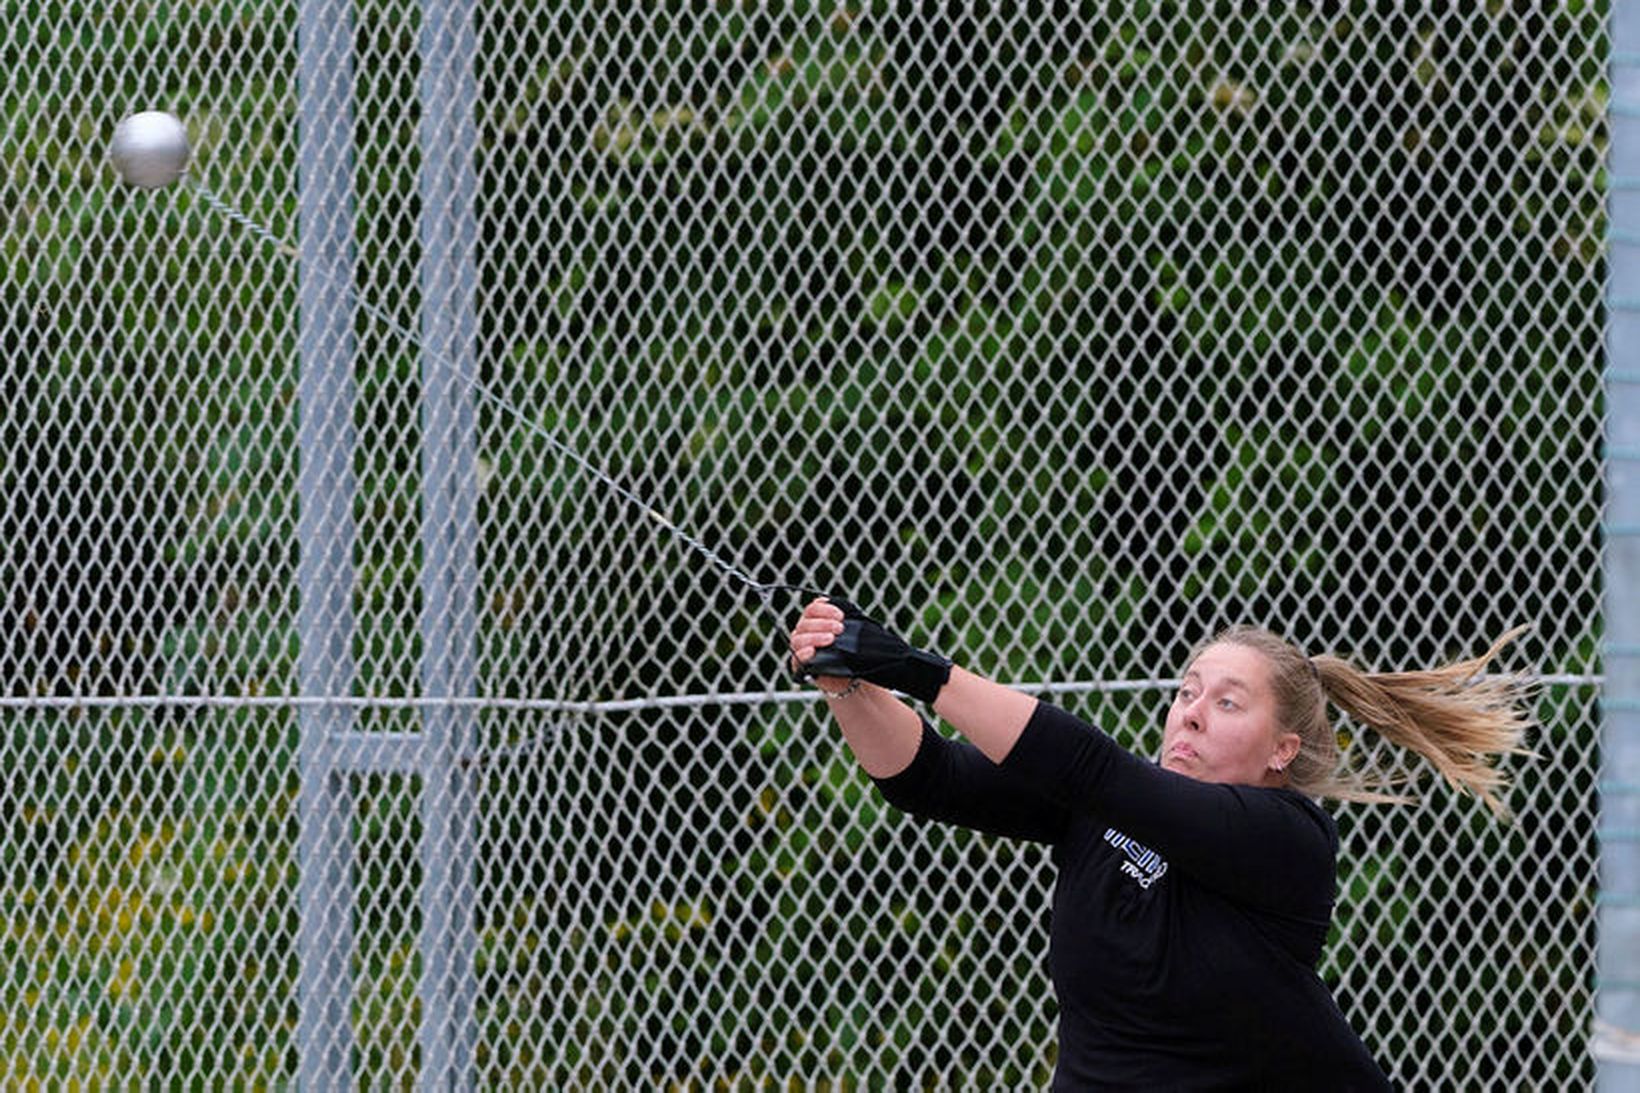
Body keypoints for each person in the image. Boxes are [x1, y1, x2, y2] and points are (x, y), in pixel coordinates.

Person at [787, 597, 1532, 1091]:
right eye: (1187, 691)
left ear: (1282, 749)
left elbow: (1092, 769)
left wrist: (921, 668)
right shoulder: (1101, 809)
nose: (1193, 713)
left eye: (1227, 701)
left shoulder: (1288, 841)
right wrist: (851, 683)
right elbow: (931, 776)